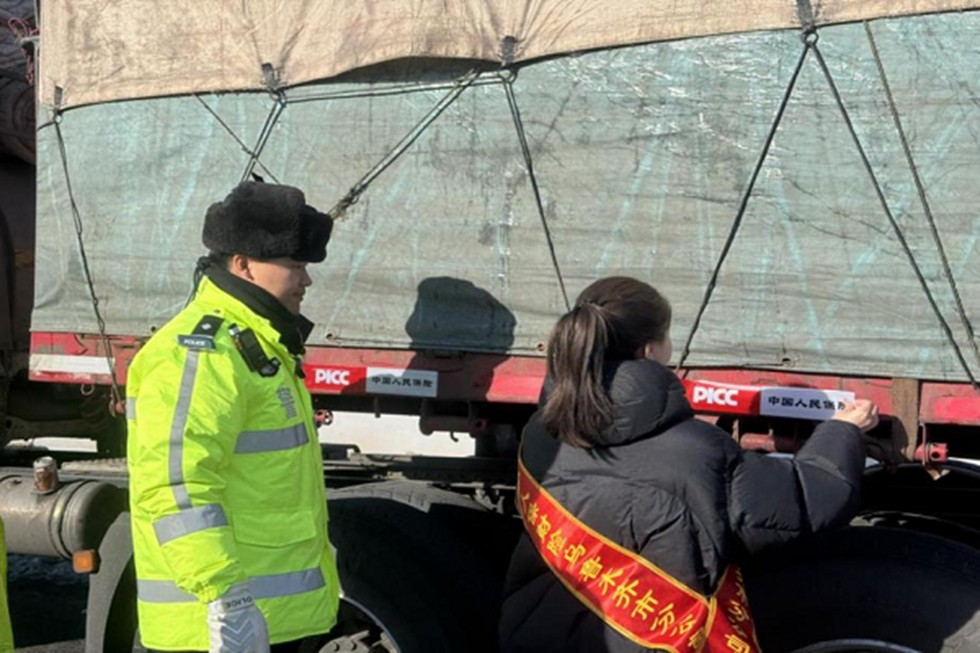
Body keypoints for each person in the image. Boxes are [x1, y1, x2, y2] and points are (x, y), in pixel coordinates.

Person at [498, 276, 878, 653]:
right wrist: (842, 431)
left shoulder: (540, 433)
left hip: (537, 637)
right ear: (650, 350)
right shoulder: (697, 454)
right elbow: (812, 497)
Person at [126, 182, 340, 653]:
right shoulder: (204, 354)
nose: (306, 280)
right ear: (243, 264)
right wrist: (226, 598)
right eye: (294, 265)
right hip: (214, 629)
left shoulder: (257, 344)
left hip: (267, 622)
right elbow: (176, 486)